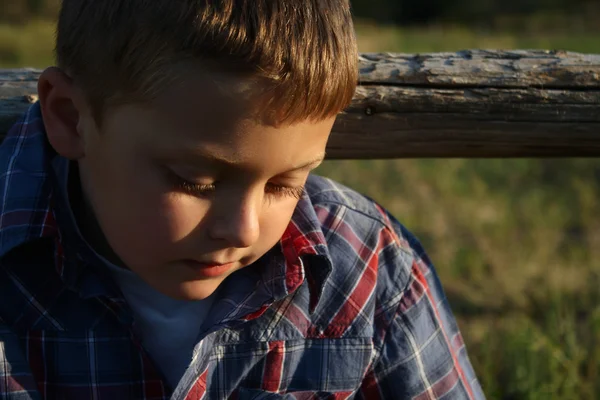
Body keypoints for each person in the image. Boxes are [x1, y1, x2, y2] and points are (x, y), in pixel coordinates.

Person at [0, 1, 485, 399]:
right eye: (196, 180)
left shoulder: (370, 269)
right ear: (69, 118)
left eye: (284, 185)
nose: (244, 230)